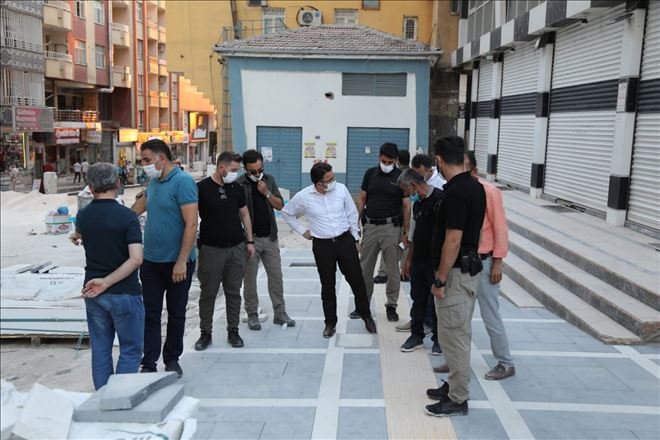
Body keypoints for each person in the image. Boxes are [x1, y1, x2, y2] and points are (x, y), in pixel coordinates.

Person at [425, 136, 486, 417]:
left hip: (456, 275)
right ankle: (453, 386)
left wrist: (440, 278)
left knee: (454, 336)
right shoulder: (474, 187)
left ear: (438, 160)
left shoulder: (457, 193)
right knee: (456, 333)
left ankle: (458, 398)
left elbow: (453, 239)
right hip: (466, 271)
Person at [282, 163, 377, 338]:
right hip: (322, 246)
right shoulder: (303, 197)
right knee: (328, 286)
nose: (333, 181)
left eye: (333, 177)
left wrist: (355, 238)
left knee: (357, 281)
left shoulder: (341, 190)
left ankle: (366, 316)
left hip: (345, 242)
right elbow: (287, 213)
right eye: (329, 179)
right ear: (318, 183)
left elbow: (352, 213)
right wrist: (303, 232)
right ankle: (330, 323)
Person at [72, 163, 144, 390]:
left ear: (90, 188)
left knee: (101, 350)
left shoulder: (83, 216)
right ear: (118, 184)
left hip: (93, 292)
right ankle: (119, 400)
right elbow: (136, 259)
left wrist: (102, 283)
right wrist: (108, 282)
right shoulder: (127, 217)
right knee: (131, 350)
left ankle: (103, 398)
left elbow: (82, 234)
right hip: (123, 292)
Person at [131, 139, 198, 377]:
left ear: (162, 158)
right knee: (150, 313)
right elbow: (134, 211)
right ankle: (149, 362)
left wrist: (181, 260)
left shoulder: (183, 182)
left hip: (178, 263)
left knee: (176, 313)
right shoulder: (154, 183)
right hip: (151, 262)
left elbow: (191, 225)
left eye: (147, 160)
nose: (144, 165)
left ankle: (171, 358)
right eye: (142, 161)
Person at [194, 152, 256, 350]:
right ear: (221, 167)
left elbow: (244, 215)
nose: (235, 174)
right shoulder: (201, 188)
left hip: (236, 248)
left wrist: (250, 240)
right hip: (211, 249)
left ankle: (233, 331)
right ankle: (205, 333)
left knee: (233, 292)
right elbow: (190, 216)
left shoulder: (236, 189)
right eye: (233, 170)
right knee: (208, 293)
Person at [237, 149, 295, 330]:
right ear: (245, 169)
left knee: (276, 276)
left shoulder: (269, 180)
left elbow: (280, 205)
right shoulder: (240, 184)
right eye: (252, 171)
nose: (257, 174)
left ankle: (280, 312)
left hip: (270, 237)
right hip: (250, 239)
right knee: (250, 279)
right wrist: (247, 240)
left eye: (260, 169)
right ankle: (252, 313)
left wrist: (267, 193)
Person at [355, 143, 411, 322]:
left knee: (393, 270)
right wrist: (354, 224)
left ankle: (392, 306)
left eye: (389, 161)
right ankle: (363, 305)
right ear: (378, 157)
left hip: (391, 228)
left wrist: (405, 232)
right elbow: (362, 199)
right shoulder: (370, 174)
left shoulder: (401, 177)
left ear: (396, 160)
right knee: (365, 269)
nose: (385, 164)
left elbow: (407, 206)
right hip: (370, 227)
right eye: (383, 160)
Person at [395, 153, 446, 333]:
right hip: (419, 259)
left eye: (405, 191)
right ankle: (417, 332)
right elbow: (415, 234)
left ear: (413, 186)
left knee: (435, 301)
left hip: (435, 261)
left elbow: (448, 236)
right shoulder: (418, 204)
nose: (405, 196)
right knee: (418, 297)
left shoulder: (441, 199)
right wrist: (409, 259)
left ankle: (436, 338)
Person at [375, 148, 412, 284]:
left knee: (388, 247)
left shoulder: (397, 175)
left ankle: (383, 273)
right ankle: (405, 272)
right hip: (409, 215)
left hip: (396, 216)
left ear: (397, 160)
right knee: (405, 243)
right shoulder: (412, 174)